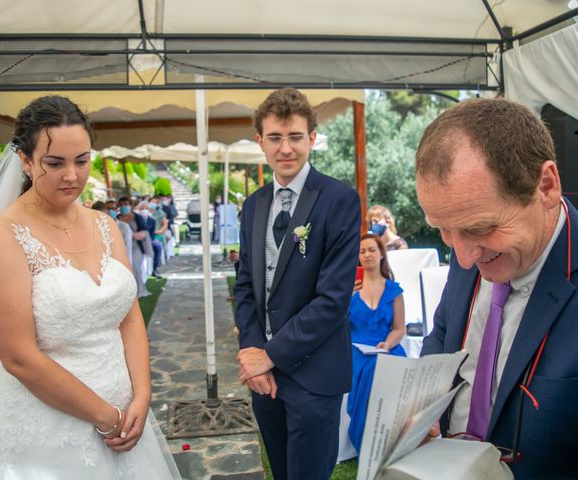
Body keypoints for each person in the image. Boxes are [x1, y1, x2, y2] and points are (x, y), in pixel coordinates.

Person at [0, 95, 180, 479]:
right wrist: (105, 416)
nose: (72, 176)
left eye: (82, 160)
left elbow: (128, 319)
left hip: (124, 411)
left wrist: (142, 394)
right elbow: (18, 357)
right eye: (55, 163)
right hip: (46, 426)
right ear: (25, 160)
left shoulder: (105, 226)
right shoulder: (4, 235)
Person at [417, 98, 577, 479]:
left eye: (481, 228)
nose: (465, 257)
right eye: (443, 230)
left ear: (546, 186)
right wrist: (422, 405)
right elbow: (442, 335)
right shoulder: (466, 248)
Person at [234, 88, 361, 480]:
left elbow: (333, 300)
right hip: (266, 380)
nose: (285, 148)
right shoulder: (253, 205)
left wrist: (269, 354)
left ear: (312, 138)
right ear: (260, 141)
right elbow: (245, 287)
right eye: (275, 137)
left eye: (294, 137)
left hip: (314, 375)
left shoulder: (339, 200)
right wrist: (253, 352)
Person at [347, 233, 406, 453]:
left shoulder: (394, 290)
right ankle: (367, 443)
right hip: (356, 348)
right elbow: (338, 327)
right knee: (371, 368)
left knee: (391, 365)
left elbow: (400, 329)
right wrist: (344, 302)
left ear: (382, 254)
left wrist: (388, 344)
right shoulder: (349, 290)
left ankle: (391, 440)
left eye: (372, 249)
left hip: (387, 346)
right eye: (362, 251)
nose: (367, 254)